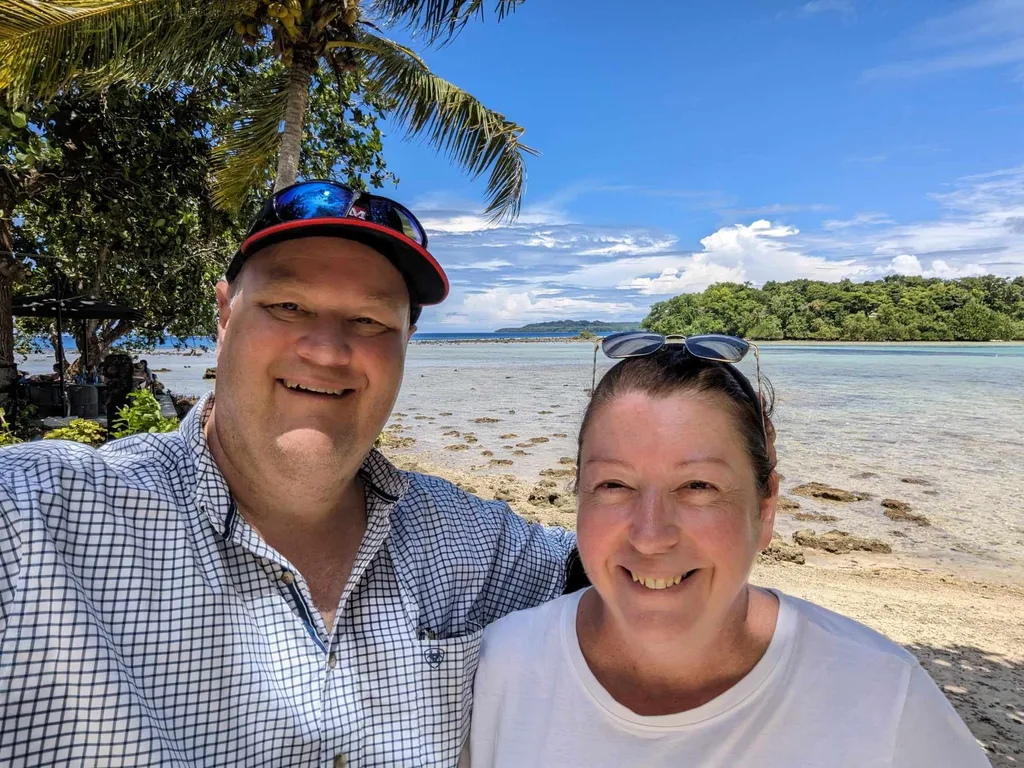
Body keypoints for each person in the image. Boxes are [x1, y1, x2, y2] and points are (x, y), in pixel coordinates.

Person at [0, 180, 578, 766]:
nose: (327, 351)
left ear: (408, 339)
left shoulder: (471, 543)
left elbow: (636, 570)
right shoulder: (35, 522)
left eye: (370, 320)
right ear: (225, 317)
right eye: (288, 306)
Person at [466, 333, 990, 767]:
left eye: (698, 487)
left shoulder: (881, 696)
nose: (650, 534)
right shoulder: (499, 668)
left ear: (765, 510)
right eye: (614, 486)